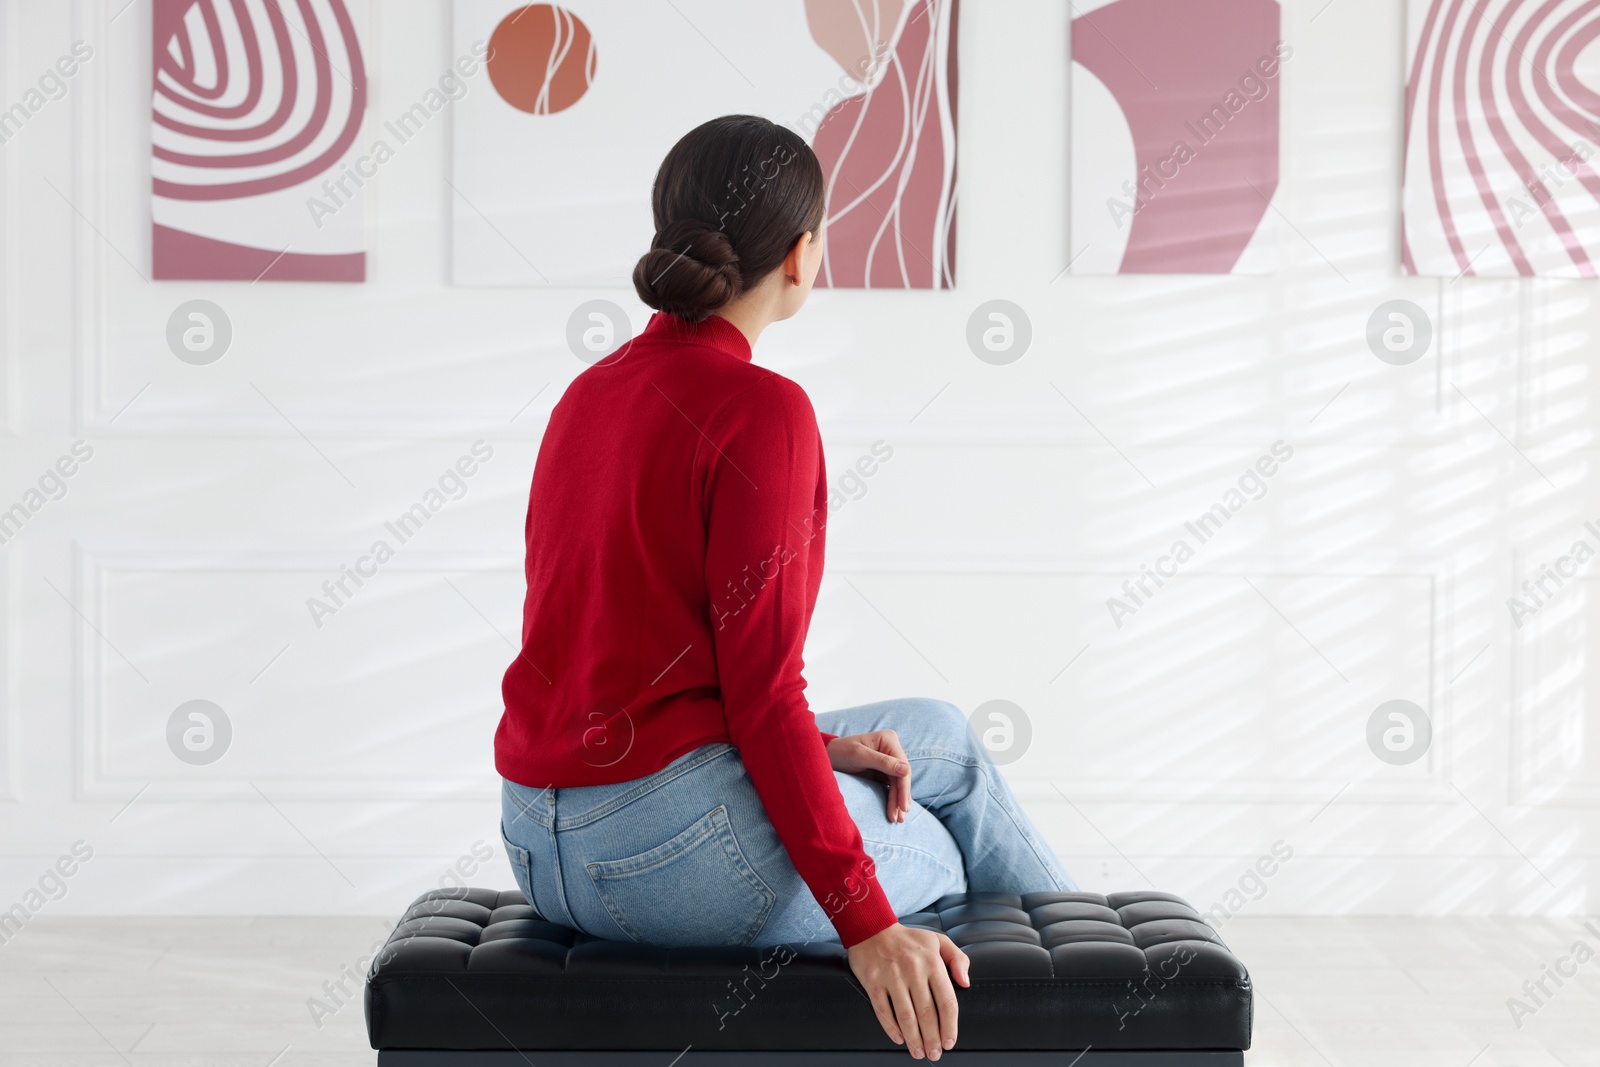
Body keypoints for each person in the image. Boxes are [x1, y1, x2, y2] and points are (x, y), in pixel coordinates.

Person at [495, 114, 1075, 1061]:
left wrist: (825, 747)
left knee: (941, 738)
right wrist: (869, 923)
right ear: (802, 256)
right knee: (934, 828)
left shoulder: (587, 394)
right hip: (660, 857)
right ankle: (1100, 1017)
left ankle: (1100, 990)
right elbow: (761, 693)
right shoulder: (765, 410)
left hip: (536, 839)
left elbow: (618, 652)